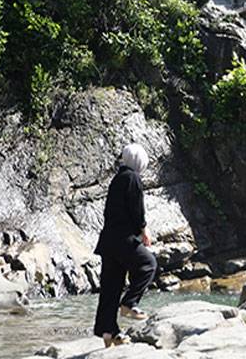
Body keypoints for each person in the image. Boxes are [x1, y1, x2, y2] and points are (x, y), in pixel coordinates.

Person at [93, 143, 158, 347]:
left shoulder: (118, 178)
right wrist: (143, 228)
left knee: (111, 288)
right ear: (139, 161)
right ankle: (129, 303)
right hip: (123, 239)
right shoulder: (132, 178)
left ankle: (109, 332)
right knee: (148, 265)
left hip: (109, 241)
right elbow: (136, 208)